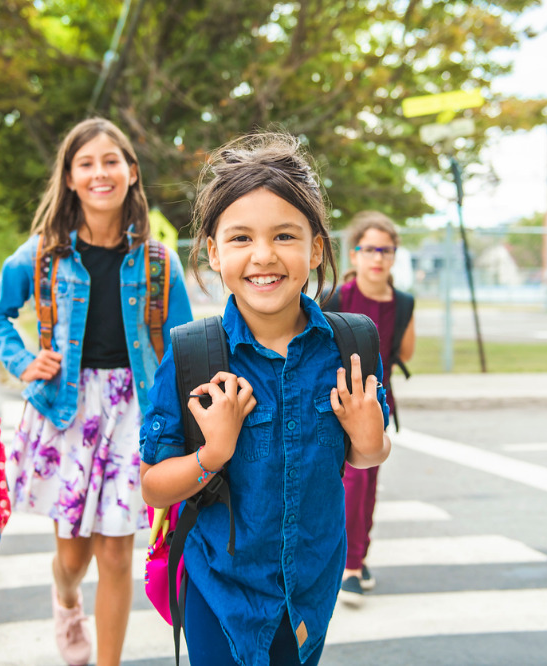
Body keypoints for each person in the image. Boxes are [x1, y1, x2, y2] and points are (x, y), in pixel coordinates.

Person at [139, 132, 391, 666]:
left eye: (284, 235)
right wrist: (213, 453)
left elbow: (365, 455)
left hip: (309, 593)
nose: (263, 256)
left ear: (316, 248)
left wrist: (371, 438)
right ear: (212, 251)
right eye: (239, 238)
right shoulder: (194, 355)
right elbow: (155, 488)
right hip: (219, 591)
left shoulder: (350, 346)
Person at [0, 117, 193, 666]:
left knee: (118, 555)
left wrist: (183, 427)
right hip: (64, 409)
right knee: (73, 558)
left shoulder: (159, 261)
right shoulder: (43, 255)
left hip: (134, 413)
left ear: (131, 172)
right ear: (71, 178)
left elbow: (182, 348)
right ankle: (67, 597)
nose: (100, 172)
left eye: (110, 161)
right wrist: (26, 360)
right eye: (86, 163)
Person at [322, 210, 416, 606]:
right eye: (369, 249)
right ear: (355, 253)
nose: (377, 257)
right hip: (336, 400)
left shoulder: (404, 303)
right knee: (346, 482)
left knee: (366, 482)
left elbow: (404, 352)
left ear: (394, 256)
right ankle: (349, 563)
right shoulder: (338, 297)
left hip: (377, 403)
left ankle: (357, 558)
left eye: (386, 250)